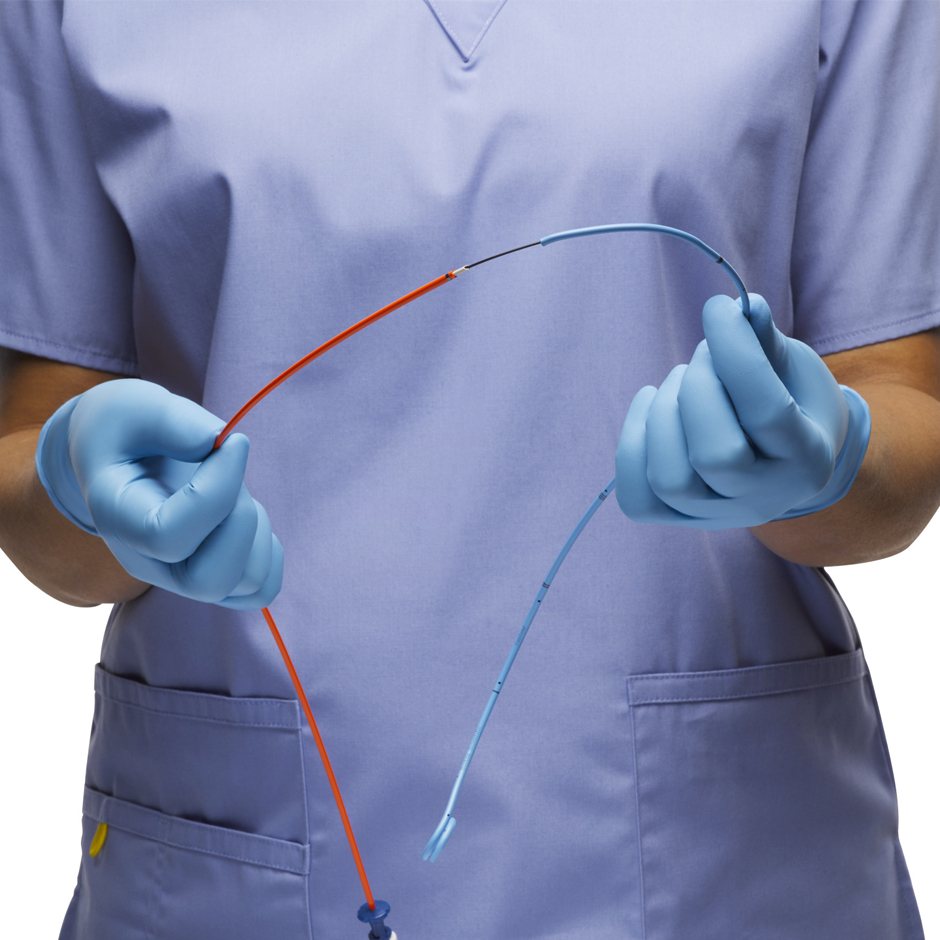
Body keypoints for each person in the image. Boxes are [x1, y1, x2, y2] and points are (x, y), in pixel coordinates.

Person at [1, 2, 938, 938]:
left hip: (732, 863)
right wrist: (73, 481)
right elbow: (37, 457)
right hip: (236, 863)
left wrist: (830, 456)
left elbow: (902, 405)